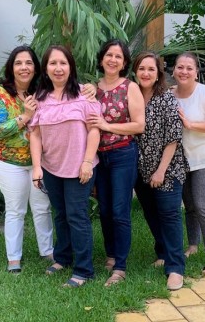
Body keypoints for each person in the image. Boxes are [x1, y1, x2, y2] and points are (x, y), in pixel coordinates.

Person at [29, 45, 101, 288]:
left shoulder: (84, 95)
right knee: (60, 214)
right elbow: (36, 135)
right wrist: (37, 167)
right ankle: (62, 258)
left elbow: (94, 131)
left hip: (79, 167)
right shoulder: (40, 99)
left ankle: (83, 270)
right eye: (52, 63)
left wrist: (87, 162)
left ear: (71, 67)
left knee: (77, 216)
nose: (58, 68)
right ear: (45, 69)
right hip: (51, 168)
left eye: (63, 63)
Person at [0, 45, 53, 273]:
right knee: (15, 209)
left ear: (35, 68)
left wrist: (91, 89)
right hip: (9, 163)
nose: (24, 67)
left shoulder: (43, 91)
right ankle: (14, 258)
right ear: (11, 68)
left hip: (38, 162)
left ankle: (48, 252)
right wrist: (25, 116)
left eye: (28, 63)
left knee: (42, 207)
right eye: (18, 63)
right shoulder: (1, 93)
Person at [87, 39, 145, 287]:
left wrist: (107, 126)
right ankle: (111, 255)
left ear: (124, 63)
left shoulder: (130, 87)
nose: (112, 60)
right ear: (102, 59)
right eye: (109, 55)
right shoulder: (92, 89)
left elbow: (139, 125)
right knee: (105, 209)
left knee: (120, 211)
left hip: (123, 154)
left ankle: (120, 266)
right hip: (100, 156)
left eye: (118, 56)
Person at [132, 52, 189, 291]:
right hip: (139, 168)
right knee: (151, 213)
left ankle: (175, 268)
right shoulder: (130, 96)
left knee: (168, 214)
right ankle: (163, 252)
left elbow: (174, 137)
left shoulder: (166, 98)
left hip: (167, 166)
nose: (146, 73)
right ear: (135, 71)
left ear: (158, 74)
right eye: (142, 69)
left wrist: (161, 171)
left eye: (151, 69)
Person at [172, 51, 205, 276]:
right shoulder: (169, 94)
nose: (184, 71)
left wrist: (191, 124)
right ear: (173, 70)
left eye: (189, 68)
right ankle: (193, 245)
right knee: (189, 205)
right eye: (180, 67)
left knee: (202, 204)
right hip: (183, 159)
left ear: (196, 72)